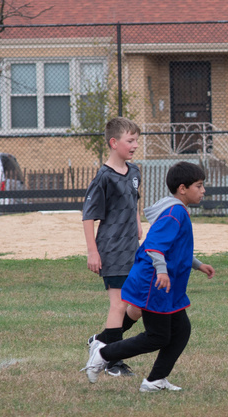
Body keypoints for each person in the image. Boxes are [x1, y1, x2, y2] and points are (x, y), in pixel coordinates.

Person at [83, 161, 215, 392]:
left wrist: (198, 265)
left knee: (181, 330)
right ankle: (103, 353)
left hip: (166, 286)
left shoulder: (177, 210)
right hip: (154, 283)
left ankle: (155, 380)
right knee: (157, 337)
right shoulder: (175, 212)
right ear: (182, 188)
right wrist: (162, 272)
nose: (203, 190)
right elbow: (154, 247)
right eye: (199, 185)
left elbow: (175, 248)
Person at [82, 117, 145, 377]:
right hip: (112, 249)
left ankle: (102, 339)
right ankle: (113, 361)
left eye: (136, 141)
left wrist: (138, 223)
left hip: (133, 248)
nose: (135, 145)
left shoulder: (135, 172)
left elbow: (135, 202)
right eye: (130, 141)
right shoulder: (103, 177)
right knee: (118, 304)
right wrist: (92, 251)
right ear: (114, 142)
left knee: (138, 306)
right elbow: (88, 215)